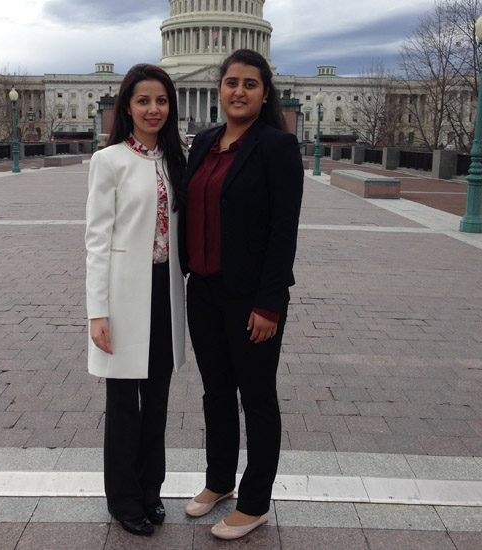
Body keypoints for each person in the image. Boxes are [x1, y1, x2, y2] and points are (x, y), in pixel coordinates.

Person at [179, 49, 304, 540]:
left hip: (252, 298)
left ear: (264, 93)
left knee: (256, 397)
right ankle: (218, 482)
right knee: (215, 394)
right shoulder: (205, 141)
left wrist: (269, 303)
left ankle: (255, 503)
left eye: (250, 84)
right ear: (219, 90)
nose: (239, 91)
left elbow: (283, 232)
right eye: (231, 82)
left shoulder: (277, 146)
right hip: (204, 290)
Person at [85, 64, 187, 537]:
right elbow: (96, 241)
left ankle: (151, 490)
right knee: (125, 403)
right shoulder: (109, 161)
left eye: (162, 101)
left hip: (165, 293)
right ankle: (124, 500)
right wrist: (97, 312)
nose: (153, 109)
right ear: (127, 105)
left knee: (159, 401)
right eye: (143, 100)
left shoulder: (171, 158)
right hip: (126, 295)